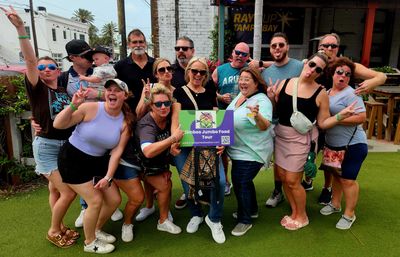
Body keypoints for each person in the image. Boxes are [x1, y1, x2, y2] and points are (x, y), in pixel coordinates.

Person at [1, 6, 79, 249]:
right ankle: (54, 229)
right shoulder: (37, 87)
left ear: (58, 70)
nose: (45, 70)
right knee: (68, 193)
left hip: (64, 146)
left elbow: (67, 116)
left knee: (54, 190)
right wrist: (21, 29)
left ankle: (61, 223)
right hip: (46, 145)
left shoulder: (62, 91)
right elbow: (31, 60)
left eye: (50, 67)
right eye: (41, 68)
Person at [269, 51, 359, 230]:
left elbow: (323, 122)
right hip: (281, 137)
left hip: (300, 140)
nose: (313, 70)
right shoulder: (285, 83)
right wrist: (272, 97)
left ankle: (302, 216)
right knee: (283, 178)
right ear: (305, 63)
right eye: (312, 65)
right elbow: (276, 112)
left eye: (318, 69)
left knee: (293, 180)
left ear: (321, 73)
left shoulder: (320, 93)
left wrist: (341, 115)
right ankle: (294, 211)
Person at [54, 79, 132, 254]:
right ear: (105, 93)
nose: (112, 92)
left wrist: (108, 177)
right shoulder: (90, 108)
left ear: (125, 96)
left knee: (114, 200)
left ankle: (95, 229)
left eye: (117, 90)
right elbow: (58, 124)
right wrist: (73, 106)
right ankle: (90, 242)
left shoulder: (125, 121)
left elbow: (116, 153)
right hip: (72, 159)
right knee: (95, 201)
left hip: (98, 162)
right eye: (109, 89)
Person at [314, 33, 386, 205]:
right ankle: (311, 181)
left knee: (338, 163)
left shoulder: (347, 66)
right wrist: (261, 63)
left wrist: (373, 82)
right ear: (319, 47)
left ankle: (327, 188)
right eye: (325, 45)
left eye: (333, 46)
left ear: (338, 48)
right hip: (318, 119)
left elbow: (381, 76)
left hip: (339, 122)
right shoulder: (315, 62)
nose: (329, 49)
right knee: (324, 156)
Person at [172, 57, 226, 244]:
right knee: (188, 184)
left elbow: (216, 119)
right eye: (194, 71)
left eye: (202, 72)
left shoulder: (210, 92)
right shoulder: (179, 92)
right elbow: (175, 119)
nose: (198, 75)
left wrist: (220, 142)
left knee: (219, 181)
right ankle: (196, 214)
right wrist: (173, 140)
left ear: (206, 75)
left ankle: (214, 218)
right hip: (185, 145)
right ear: (188, 71)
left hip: (207, 145)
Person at [319, 57, 368, 230]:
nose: (343, 76)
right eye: (339, 72)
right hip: (334, 145)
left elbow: (362, 117)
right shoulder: (326, 92)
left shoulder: (351, 93)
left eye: (347, 74)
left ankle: (349, 214)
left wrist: (335, 120)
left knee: (348, 180)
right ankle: (335, 204)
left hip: (353, 145)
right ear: (332, 73)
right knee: (337, 176)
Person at [226, 67, 273, 236]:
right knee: (243, 182)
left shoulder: (261, 101)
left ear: (256, 83)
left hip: (252, 151)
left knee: (241, 182)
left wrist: (257, 115)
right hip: (239, 150)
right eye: (241, 78)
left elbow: (264, 126)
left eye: (247, 79)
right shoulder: (241, 96)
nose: (242, 82)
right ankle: (252, 210)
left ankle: (245, 220)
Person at [261, 32, 304, 208]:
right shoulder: (266, 73)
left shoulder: (299, 67)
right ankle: (278, 190)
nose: (277, 48)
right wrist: (272, 97)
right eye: (273, 46)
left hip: (295, 123)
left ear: (287, 47)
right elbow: (269, 103)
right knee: (278, 160)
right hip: (275, 121)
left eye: (281, 44)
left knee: (294, 160)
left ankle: (297, 188)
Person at [136, 84, 184, 234]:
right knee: (164, 185)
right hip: (139, 163)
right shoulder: (147, 124)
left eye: (166, 103)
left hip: (157, 161)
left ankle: (150, 207)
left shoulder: (168, 115)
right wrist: (173, 139)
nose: (163, 107)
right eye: (158, 104)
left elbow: (177, 106)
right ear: (151, 106)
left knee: (159, 179)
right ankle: (163, 220)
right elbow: (148, 152)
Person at [134, 58, 176, 222]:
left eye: (169, 68)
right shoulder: (149, 88)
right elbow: (138, 114)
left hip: (165, 133)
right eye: (161, 69)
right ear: (155, 73)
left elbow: (176, 116)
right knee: (149, 174)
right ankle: (150, 205)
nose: (166, 72)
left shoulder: (175, 90)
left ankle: (162, 208)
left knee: (163, 175)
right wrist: (146, 99)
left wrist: (174, 140)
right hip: (147, 133)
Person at [212, 42, 251, 196]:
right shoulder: (220, 70)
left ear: (248, 57)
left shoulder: (250, 70)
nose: (240, 56)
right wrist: (220, 97)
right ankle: (226, 181)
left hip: (244, 118)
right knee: (223, 152)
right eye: (238, 52)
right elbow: (208, 91)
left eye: (244, 54)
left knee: (241, 152)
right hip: (223, 116)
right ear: (232, 53)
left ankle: (240, 181)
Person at [114, 28, 156, 111]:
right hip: (129, 114)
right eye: (134, 42)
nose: (138, 45)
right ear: (129, 45)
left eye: (141, 42)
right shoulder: (120, 66)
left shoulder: (156, 64)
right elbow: (115, 90)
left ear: (145, 44)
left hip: (154, 113)